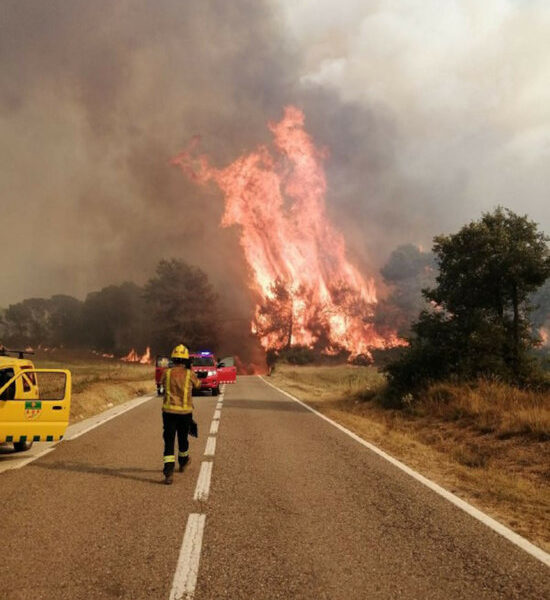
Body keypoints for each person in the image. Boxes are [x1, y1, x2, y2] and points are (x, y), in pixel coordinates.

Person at [161, 344, 201, 485]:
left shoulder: (167, 373)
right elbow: (198, 385)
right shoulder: (190, 374)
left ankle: (168, 473)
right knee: (183, 439)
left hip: (169, 413)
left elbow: (162, 385)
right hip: (185, 413)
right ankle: (183, 461)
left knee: (169, 441)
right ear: (185, 360)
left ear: (173, 359)